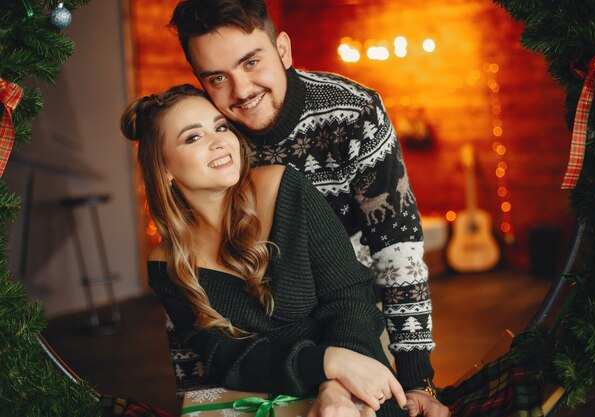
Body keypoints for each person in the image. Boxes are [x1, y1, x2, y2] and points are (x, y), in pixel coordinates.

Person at [169, 1, 449, 416]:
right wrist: (198, 398)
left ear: (283, 50)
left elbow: (398, 253)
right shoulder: (211, 140)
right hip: (258, 339)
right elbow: (190, 276)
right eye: (217, 78)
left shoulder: (354, 113)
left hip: (358, 319)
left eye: (251, 62)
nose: (241, 90)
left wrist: (417, 380)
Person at [120, 84, 413, 416]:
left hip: (359, 377)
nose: (219, 141)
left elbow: (350, 296)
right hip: (267, 403)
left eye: (220, 126)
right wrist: (324, 363)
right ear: (165, 168)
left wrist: (334, 387)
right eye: (193, 137)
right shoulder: (167, 264)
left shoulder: (282, 186)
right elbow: (228, 359)